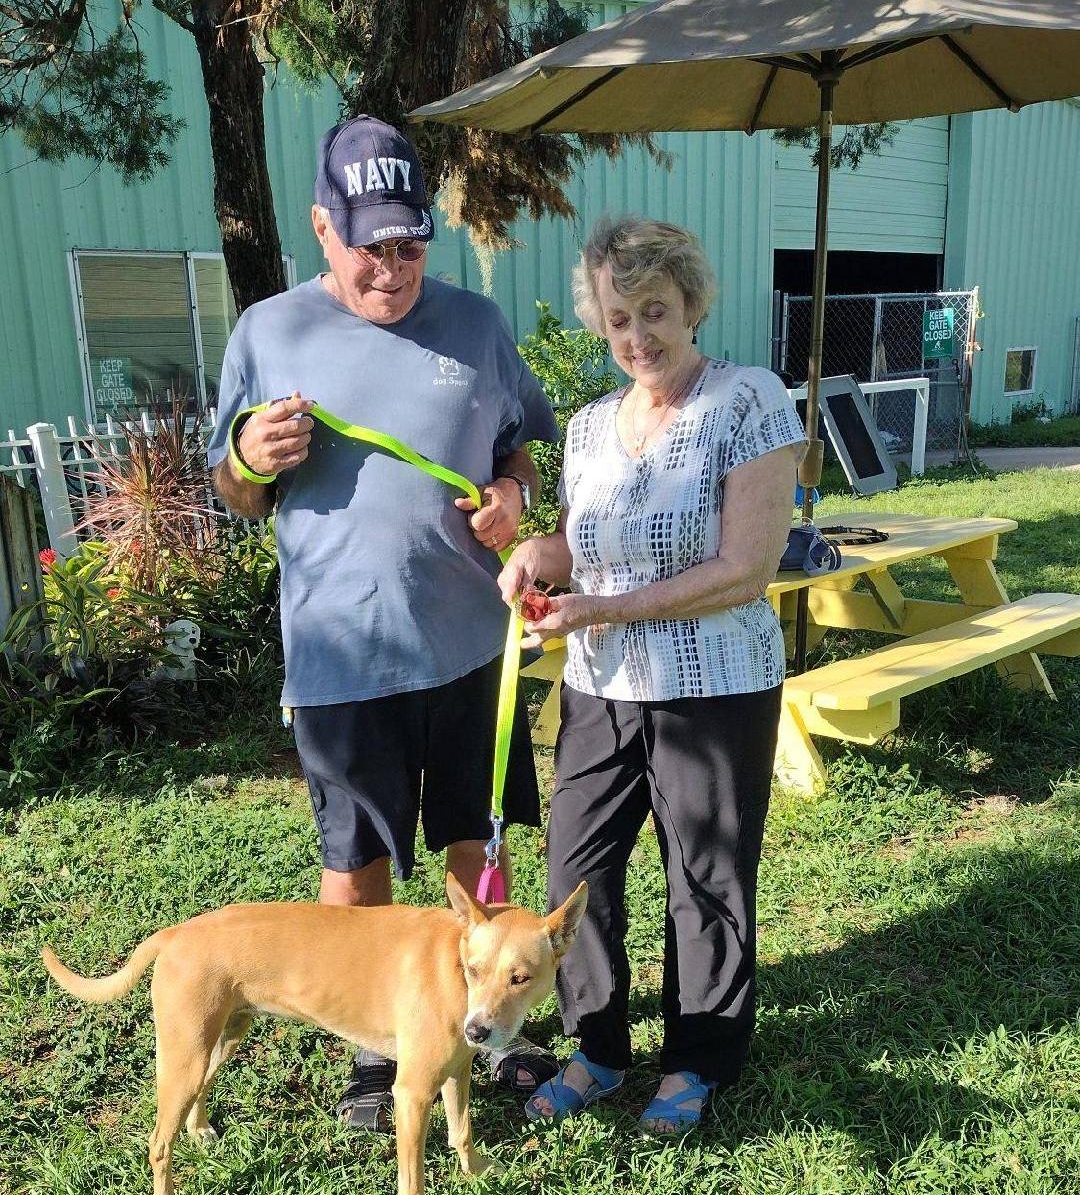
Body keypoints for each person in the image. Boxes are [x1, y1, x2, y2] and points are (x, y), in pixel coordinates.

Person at [207, 115, 561, 1131]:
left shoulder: (477, 324)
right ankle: (373, 1050)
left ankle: (486, 1029)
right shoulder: (269, 333)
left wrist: (513, 501)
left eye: (410, 246)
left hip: (465, 647)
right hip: (340, 654)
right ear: (323, 228)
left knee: (471, 852)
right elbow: (229, 488)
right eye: (371, 247)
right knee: (355, 865)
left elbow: (518, 456)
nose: (393, 270)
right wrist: (251, 461)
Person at [498, 214, 805, 1137]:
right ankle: (596, 1046)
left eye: (657, 310)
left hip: (715, 686)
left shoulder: (749, 401)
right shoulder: (591, 426)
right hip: (600, 685)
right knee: (575, 866)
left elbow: (745, 568)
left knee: (704, 874)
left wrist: (600, 608)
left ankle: (698, 1058)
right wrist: (536, 558)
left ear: (693, 303)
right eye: (620, 317)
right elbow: (591, 544)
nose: (640, 336)